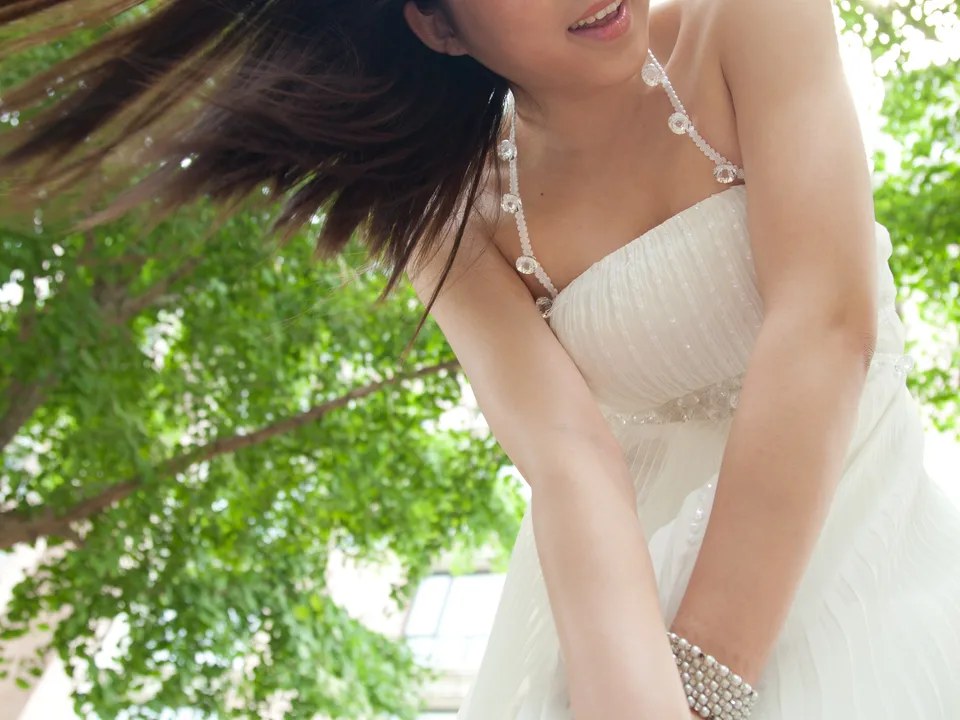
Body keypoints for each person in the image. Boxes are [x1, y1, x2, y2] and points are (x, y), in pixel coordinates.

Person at [2, 0, 959, 718]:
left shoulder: (751, 18)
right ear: (437, 24)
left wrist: (703, 683)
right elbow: (570, 460)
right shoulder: (450, 217)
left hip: (862, 536)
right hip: (621, 602)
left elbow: (825, 322)